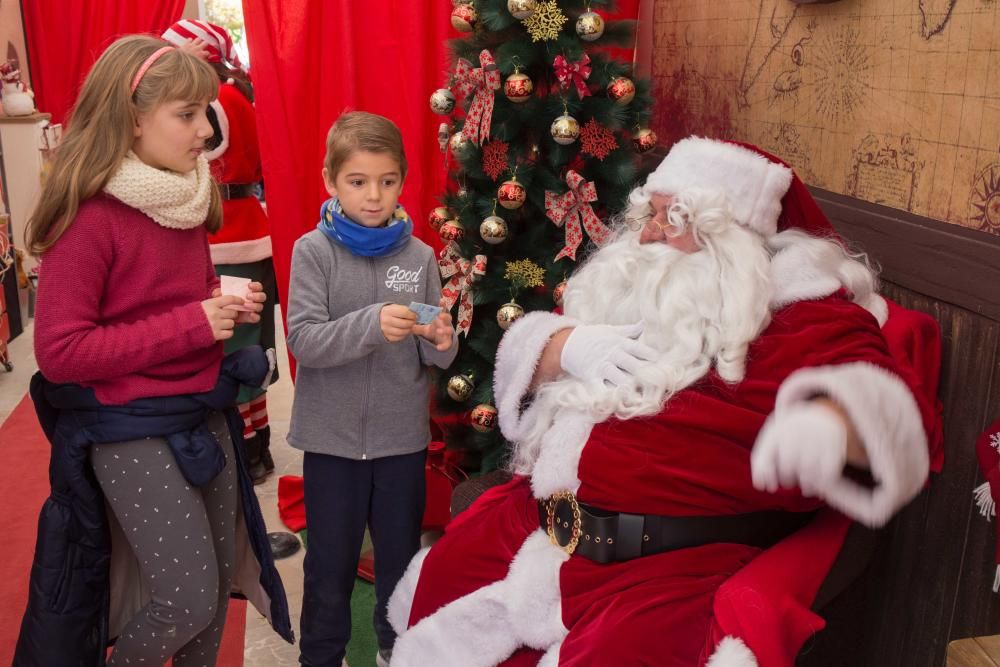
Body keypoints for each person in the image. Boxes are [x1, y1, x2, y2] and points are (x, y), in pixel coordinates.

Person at [386, 137, 938, 666]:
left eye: (666, 219)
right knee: (436, 589)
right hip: (543, 526)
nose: (645, 237)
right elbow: (533, 358)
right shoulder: (643, 284)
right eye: (647, 213)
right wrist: (565, 346)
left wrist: (835, 428)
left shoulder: (809, 319)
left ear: (730, 239)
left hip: (669, 567)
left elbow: (887, 424)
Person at [14, 35, 292, 665]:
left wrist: (218, 296)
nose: (206, 128)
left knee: (219, 585)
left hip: (199, 407)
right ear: (132, 116)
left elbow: (152, 301)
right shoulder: (90, 218)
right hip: (129, 424)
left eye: (205, 111)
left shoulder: (184, 193)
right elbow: (60, 352)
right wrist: (196, 322)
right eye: (187, 114)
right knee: (186, 599)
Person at [286, 111, 457, 667]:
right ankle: (321, 656)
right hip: (332, 444)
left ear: (403, 181)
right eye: (358, 182)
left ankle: (395, 651)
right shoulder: (312, 251)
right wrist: (371, 323)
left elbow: (435, 352)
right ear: (330, 182)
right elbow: (305, 340)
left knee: (399, 563)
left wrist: (440, 338)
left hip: (400, 443)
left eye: (387, 181)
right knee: (329, 564)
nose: (374, 196)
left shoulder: (420, 257)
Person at [162, 19, 279, 483]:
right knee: (251, 340)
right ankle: (257, 442)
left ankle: (245, 446)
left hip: (223, 233)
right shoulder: (233, 93)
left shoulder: (211, 102)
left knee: (232, 345)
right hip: (245, 225)